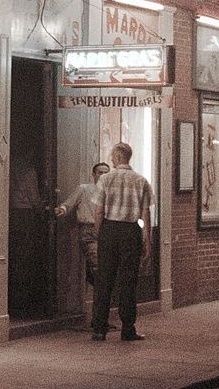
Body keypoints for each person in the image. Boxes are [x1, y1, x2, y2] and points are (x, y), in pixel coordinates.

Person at [91, 143, 154, 342]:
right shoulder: (141, 181)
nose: (111, 158)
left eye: (112, 155)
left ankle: (99, 329)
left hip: (110, 229)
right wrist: (147, 238)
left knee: (104, 280)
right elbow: (145, 213)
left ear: (118, 157)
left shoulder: (105, 179)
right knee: (128, 281)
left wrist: (99, 233)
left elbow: (99, 210)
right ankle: (128, 328)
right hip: (130, 231)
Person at [56, 162, 111, 287]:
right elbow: (69, 204)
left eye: (106, 173)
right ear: (93, 174)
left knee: (108, 266)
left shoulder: (112, 193)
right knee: (97, 265)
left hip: (107, 230)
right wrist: (62, 209)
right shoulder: (84, 189)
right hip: (89, 230)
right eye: (100, 172)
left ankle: (102, 295)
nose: (103, 175)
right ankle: (101, 298)